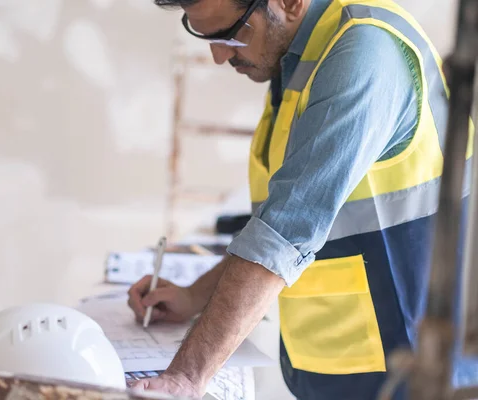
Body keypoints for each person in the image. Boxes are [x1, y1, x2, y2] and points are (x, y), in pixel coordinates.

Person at [127, 0, 475, 398]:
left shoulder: (363, 55)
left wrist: (186, 377)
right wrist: (194, 296)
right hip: (342, 371)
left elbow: (283, 233)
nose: (219, 55)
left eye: (231, 34)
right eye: (205, 35)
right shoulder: (296, 58)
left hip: (405, 375)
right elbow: (275, 221)